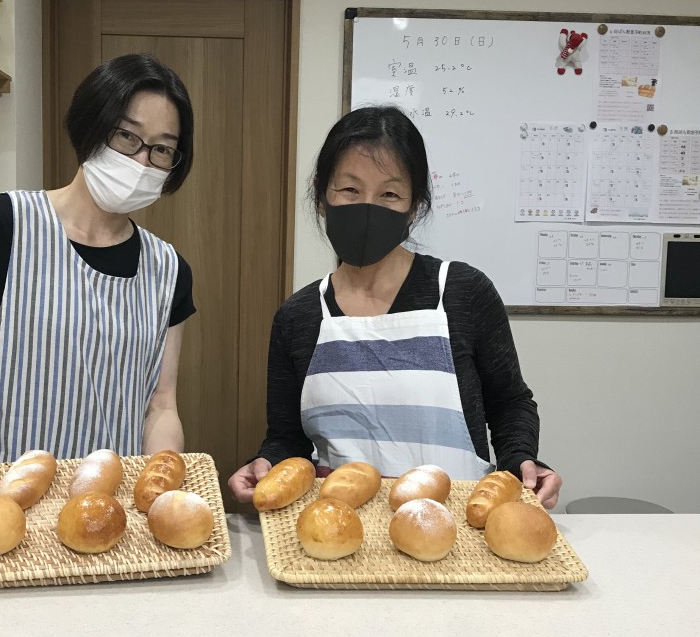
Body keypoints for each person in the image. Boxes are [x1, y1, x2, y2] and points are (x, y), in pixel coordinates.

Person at [0, 53, 196, 546]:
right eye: (126, 136)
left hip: (102, 522)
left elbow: (160, 406)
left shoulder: (168, 269)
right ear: (91, 128)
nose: (141, 162)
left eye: (162, 149)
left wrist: (160, 497)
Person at [229, 105, 562, 507]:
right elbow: (287, 437)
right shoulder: (298, 317)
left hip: (457, 523)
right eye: (349, 190)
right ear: (321, 196)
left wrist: (522, 460)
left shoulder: (462, 292)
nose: (367, 208)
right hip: (341, 525)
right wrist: (266, 464)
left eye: (389, 194)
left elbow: (509, 403)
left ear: (414, 206)